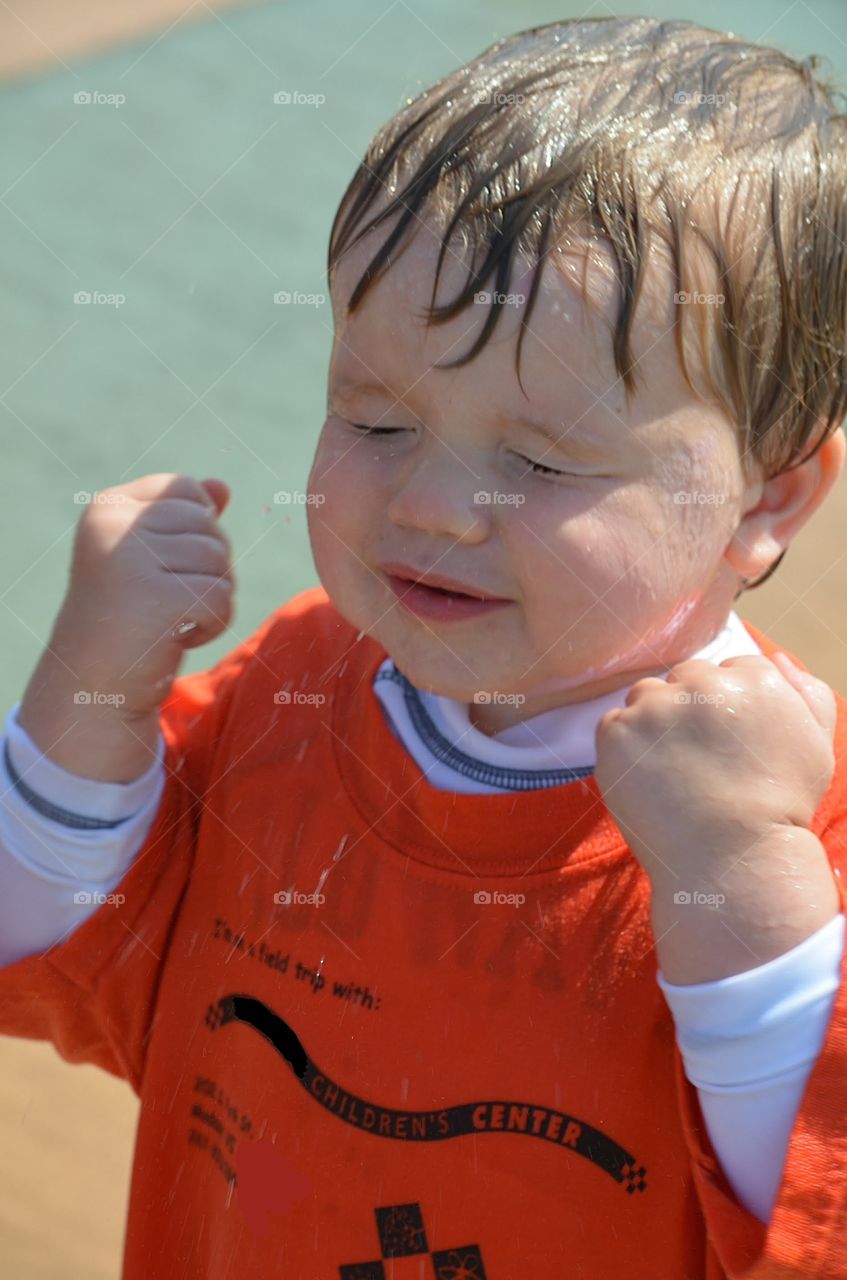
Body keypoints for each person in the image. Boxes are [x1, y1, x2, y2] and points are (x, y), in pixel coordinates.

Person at [2, 15, 847, 1277]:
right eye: (374, 416)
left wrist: (743, 883)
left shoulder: (797, 824)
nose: (432, 506)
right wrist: (95, 685)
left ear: (767, 496)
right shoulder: (287, 688)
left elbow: (806, 1221)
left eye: (542, 460)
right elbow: (48, 958)